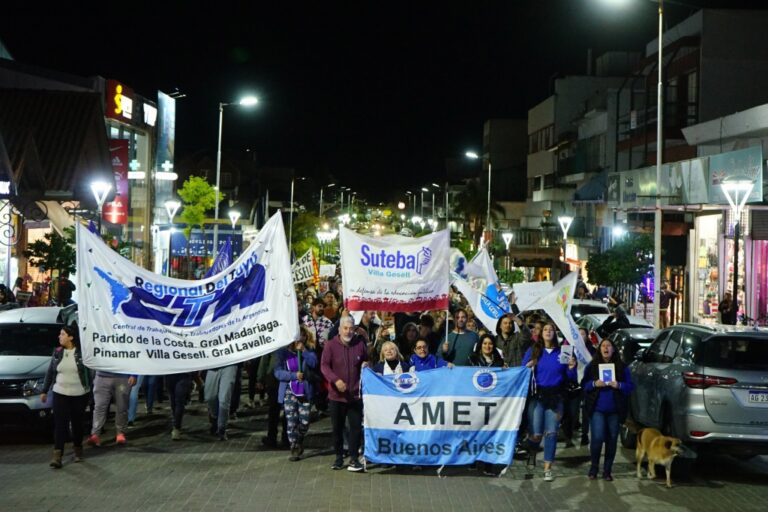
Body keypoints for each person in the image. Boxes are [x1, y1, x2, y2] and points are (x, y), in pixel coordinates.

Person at [522, 322, 577, 482]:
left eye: (551, 330)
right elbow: (522, 370)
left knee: (551, 433)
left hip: (556, 397)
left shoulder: (563, 352)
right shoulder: (534, 351)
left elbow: (571, 378)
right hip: (538, 396)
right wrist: (528, 365)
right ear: (540, 333)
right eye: (545, 329)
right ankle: (532, 452)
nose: (548, 332)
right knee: (537, 434)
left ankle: (547, 468)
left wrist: (572, 368)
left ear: (555, 333)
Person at [320, 315, 368, 472]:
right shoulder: (330, 345)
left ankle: (354, 458)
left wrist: (367, 363)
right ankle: (339, 457)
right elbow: (324, 366)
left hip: (355, 395)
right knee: (338, 428)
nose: (348, 331)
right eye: (345, 328)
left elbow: (367, 360)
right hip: (337, 396)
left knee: (355, 427)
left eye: (351, 328)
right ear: (339, 329)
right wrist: (335, 380)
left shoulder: (359, 344)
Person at [582, 338, 634, 481]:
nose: (606, 348)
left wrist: (619, 385)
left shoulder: (622, 367)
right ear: (599, 349)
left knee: (612, 440)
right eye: (603, 346)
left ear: (613, 349)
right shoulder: (592, 366)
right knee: (597, 438)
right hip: (597, 409)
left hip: (615, 411)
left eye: (609, 346)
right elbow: (584, 386)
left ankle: (607, 471)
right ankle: (594, 468)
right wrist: (594, 383)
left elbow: (630, 387)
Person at [41, 326, 91, 468]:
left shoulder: (82, 354)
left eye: (62, 334)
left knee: (77, 424)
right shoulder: (57, 353)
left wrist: (90, 392)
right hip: (60, 393)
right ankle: (57, 456)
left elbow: (90, 374)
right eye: (60, 334)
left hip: (78, 394)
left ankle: (78, 450)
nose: (59, 336)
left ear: (71, 337)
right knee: (60, 424)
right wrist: (44, 391)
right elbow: (50, 372)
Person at [275, 325, 318, 461]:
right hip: (289, 391)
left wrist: (304, 351)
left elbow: (314, 363)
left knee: (304, 421)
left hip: (305, 391)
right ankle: (294, 446)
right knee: (291, 421)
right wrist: (293, 376)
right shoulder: (282, 353)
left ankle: (299, 438)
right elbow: (278, 372)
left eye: (302, 336)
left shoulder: (309, 351)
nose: (299, 339)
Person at [88, 368, 136, 447]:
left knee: (122, 406)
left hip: (122, 376)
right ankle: (95, 434)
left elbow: (134, 356)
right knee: (99, 407)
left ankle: (120, 433)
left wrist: (134, 374)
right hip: (101, 376)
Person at [204, 363, 239, 441]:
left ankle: (222, 428)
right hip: (213, 364)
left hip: (230, 364)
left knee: (224, 399)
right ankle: (215, 418)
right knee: (210, 397)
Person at [166, 371, 194, 440]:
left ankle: (176, 427)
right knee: (173, 402)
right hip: (169, 374)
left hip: (184, 374)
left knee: (179, 401)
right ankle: (175, 422)